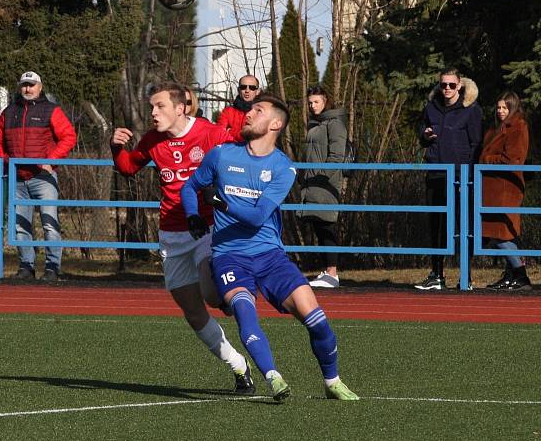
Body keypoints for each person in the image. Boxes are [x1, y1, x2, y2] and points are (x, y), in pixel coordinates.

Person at [181, 94, 359, 402]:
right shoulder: (221, 155)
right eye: (249, 110)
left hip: (271, 256)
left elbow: (257, 216)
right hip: (229, 256)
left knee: (318, 322)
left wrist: (220, 203)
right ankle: (273, 377)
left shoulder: (283, 168)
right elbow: (190, 186)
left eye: (257, 110)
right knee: (244, 314)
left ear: (275, 123)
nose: (248, 114)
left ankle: (332, 381)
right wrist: (193, 215)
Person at [110, 81, 254, 395]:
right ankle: (239, 366)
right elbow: (127, 168)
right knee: (193, 313)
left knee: (210, 289)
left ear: (181, 108)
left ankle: (231, 293)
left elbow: (247, 152)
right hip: (171, 235)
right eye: (151, 107)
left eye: (159, 106)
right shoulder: (153, 140)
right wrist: (115, 147)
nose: (153, 112)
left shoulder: (210, 133)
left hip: (206, 226)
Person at [0, 71, 77, 281]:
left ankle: (52, 267)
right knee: (20, 225)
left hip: (43, 178)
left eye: (31, 85)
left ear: (40, 87)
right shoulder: (8, 112)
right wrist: (6, 161)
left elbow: (68, 137)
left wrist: (51, 160)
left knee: (49, 223)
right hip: (18, 178)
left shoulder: (51, 110)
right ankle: (26, 266)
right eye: (24, 85)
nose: (27, 89)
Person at [417, 68, 483, 290]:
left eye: (451, 85)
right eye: (443, 85)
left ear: (460, 86)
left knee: (463, 228)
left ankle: (466, 277)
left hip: (461, 178)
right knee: (435, 226)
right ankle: (436, 274)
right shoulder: (431, 108)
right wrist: (424, 135)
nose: (447, 89)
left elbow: (476, 144)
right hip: (436, 174)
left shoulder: (471, 111)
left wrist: (470, 174)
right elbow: (422, 133)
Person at [479, 92, 531, 290]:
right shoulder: (495, 128)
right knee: (499, 233)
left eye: (505, 108)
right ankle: (511, 274)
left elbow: (512, 160)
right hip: (491, 188)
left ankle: (520, 274)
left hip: (505, 188)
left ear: (513, 108)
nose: (501, 111)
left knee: (502, 233)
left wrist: (486, 161)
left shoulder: (518, 126)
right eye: (499, 107)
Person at [299, 86, 348, 288]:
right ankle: (327, 270)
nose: (312, 106)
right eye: (310, 102)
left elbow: (337, 156)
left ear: (326, 101)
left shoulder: (335, 124)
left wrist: (322, 176)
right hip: (311, 183)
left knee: (327, 224)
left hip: (325, 184)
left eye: (316, 102)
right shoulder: (315, 123)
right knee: (319, 225)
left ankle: (333, 272)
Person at [217, 74, 260, 141]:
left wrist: (229, 131)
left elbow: (259, 136)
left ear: (257, 91)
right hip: (230, 150)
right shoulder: (227, 112)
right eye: (243, 87)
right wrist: (244, 135)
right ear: (238, 90)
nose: (247, 91)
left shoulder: (261, 113)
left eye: (252, 88)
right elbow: (219, 134)